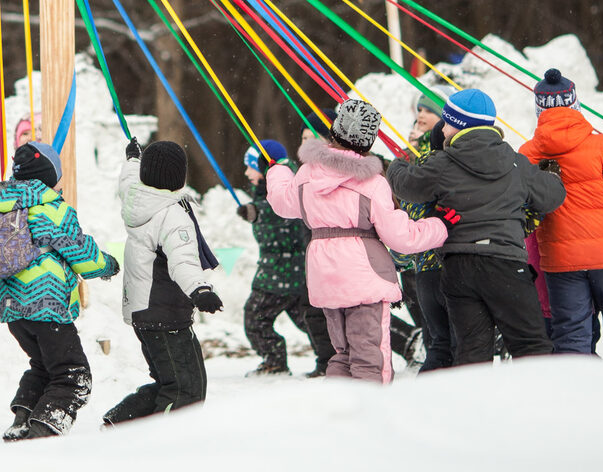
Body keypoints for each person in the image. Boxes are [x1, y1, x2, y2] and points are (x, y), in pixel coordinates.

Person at [265, 101, 446, 383]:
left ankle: (341, 413)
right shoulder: (371, 182)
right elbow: (399, 236)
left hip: (325, 276)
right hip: (364, 276)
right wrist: (437, 227)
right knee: (370, 355)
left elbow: (282, 203)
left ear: (335, 131)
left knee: (342, 353)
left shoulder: (306, 174)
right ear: (369, 139)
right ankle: (369, 416)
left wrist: (278, 172)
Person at [387, 88, 564, 365]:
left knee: (471, 352)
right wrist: (551, 176)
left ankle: (475, 406)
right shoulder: (515, 163)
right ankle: (537, 404)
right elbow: (552, 196)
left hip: (460, 268)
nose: (442, 130)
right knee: (532, 346)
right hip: (506, 265)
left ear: (457, 125)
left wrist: (397, 165)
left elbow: (408, 187)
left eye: (446, 123)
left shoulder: (443, 163)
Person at [519, 68, 603, 363]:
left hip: (560, 260)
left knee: (571, 335)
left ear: (539, 110)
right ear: (574, 105)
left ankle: (579, 404)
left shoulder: (527, 154)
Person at [0, 140, 119, 440]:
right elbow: (82, 255)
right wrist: (108, 265)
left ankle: (22, 419)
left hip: (13, 309)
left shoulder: (3, 205)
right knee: (74, 375)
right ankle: (44, 429)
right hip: (46, 306)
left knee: (43, 365)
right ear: (50, 177)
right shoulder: (51, 209)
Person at [103, 140, 220, 422]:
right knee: (186, 390)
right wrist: (200, 289)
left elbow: (128, 178)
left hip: (146, 312)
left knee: (171, 382)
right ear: (180, 176)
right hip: (165, 315)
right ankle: (162, 442)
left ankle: (121, 423)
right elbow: (183, 261)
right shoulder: (172, 216)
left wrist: (133, 159)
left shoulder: (136, 196)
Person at [236, 139, 334, 376]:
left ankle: (275, 361)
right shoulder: (266, 188)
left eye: (251, 166)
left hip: (281, 272)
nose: (247, 172)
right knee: (310, 321)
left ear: (264, 166)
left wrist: (256, 211)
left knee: (255, 317)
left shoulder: (287, 183)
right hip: (290, 272)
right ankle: (331, 357)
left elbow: (281, 209)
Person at [393, 92, 452, 371]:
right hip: (417, 254)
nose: (421, 115)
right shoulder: (410, 154)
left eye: (428, 110)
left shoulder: (445, 155)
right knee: (429, 324)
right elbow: (401, 200)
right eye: (418, 110)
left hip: (442, 254)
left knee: (446, 329)